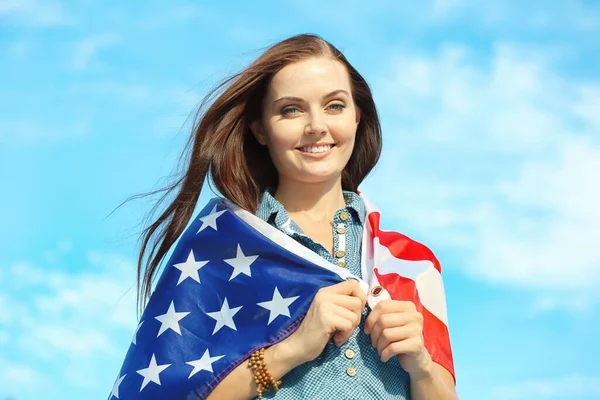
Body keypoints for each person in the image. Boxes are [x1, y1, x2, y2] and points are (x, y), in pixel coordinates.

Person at [111, 34, 457, 400]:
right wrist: (289, 351)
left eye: (335, 106)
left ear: (358, 116)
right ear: (260, 129)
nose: (316, 126)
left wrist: (419, 363)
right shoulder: (220, 248)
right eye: (291, 109)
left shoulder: (410, 263)